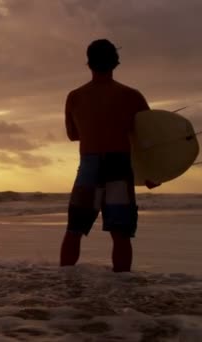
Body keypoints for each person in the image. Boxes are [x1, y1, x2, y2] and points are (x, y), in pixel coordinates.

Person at [60, 39, 152, 272]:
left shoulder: (75, 96)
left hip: (89, 166)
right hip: (119, 166)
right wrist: (152, 173)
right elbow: (149, 137)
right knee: (121, 234)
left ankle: (63, 287)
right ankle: (121, 290)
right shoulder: (132, 96)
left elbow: (73, 135)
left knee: (74, 230)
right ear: (115, 63)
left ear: (89, 63)